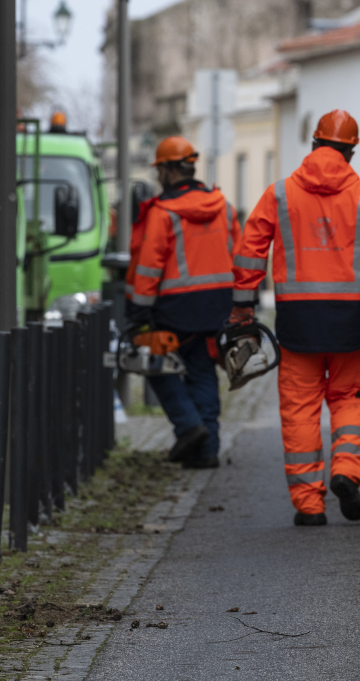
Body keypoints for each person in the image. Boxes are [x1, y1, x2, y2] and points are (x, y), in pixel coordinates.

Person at [231, 110, 360, 526]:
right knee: (351, 400)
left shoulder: (278, 194)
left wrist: (243, 305)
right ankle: (345, 472)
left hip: (297, 322)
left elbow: (250, 248)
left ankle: (309, 505)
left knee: (300, 411)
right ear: (350, 150)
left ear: (314, 144)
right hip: (350, 320)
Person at [126, 135, 240, 469]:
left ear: (168, 170)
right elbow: (241, 256)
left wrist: (138, 311)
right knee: (203, 373)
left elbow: (149, 267)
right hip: (218, 306)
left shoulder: (162, 214)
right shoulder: (223, 207)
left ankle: (189, 427)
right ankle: (207, 452)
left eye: (160, 170)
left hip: (174, 308)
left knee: (155, 366)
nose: (158, 177)